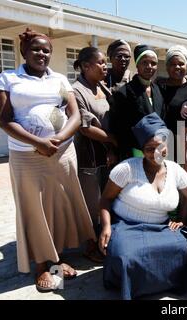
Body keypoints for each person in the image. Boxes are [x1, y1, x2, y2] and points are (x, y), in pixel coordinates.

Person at [0, 28, 96, 292]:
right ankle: (41, 265)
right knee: (34, 208)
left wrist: (59, 138)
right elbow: (5, 120)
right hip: (28, 156)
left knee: (58, 205)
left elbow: (74, 115)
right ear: (24, 52)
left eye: (46, 50)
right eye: (36, 49)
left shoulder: (59, 80)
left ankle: (57, 259)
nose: (42, 54)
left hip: (62, 152)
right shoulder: (8, 78)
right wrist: (37, 142)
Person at [100, 113, 187, 299]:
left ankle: (160, 284)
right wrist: (106, 227)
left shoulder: (175, 170)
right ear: (142, 150)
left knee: (186, 247)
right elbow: (105, 200)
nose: (156, 153)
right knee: (127, 256)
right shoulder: (127, 168)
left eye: (160, 147)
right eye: (149, 149)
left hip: (160, 227)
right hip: (127, 226)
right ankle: (134, 286)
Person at [72, 47, 117, 257]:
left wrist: (111, 147)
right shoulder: (76, 91)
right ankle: (91, 244)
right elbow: (84, 126)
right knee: (91, 201)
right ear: (86, 66)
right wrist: (112, 140)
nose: (105, 66)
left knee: (106, 198)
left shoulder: (102, 87)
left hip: (108, 153)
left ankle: (104, 240)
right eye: (100, 62)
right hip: (89, 155)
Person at [109, 44, 165, 160]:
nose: (149, 66)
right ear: (137, 65)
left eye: (153, 63)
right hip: (135, 152)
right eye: (145, 62)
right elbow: (118, 129)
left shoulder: (158, 90)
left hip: (158, 149)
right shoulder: (123, 93)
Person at [156, 45, 187, 136]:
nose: (177, 67)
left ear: (186, 66)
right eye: (173, 64)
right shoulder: (159, 85)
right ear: (167, 67)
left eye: (181, 64)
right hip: (167, 141)